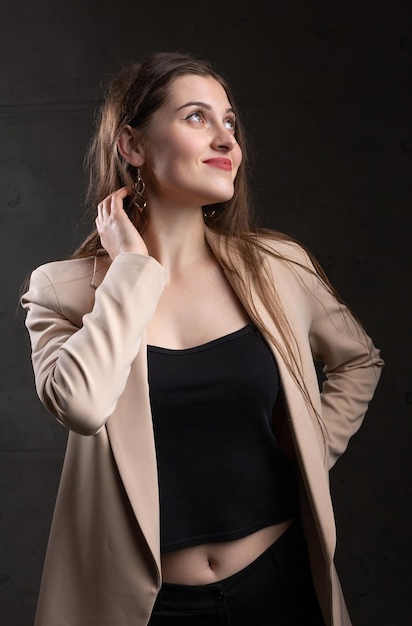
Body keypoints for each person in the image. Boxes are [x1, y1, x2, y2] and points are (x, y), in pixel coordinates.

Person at [21, 50, 383, 626]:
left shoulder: (278, 266)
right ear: (132, 146)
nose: (226, 140)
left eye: (230, 123)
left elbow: (359, 361)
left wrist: (310, 450)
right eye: (196, 118)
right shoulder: (62, 291)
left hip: (282, 587)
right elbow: (83, 406)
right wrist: (131, 271)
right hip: (148, 607)